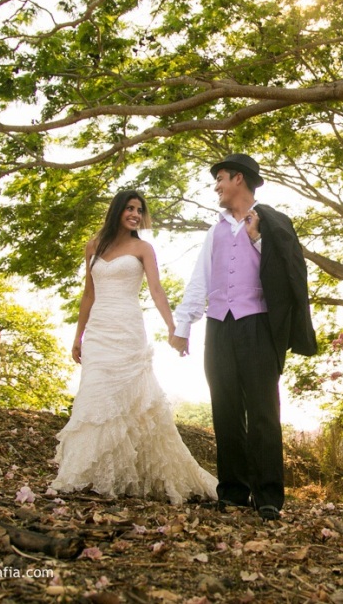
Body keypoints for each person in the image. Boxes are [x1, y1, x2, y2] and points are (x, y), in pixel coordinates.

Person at [170, 154, 316, 521]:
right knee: (225, 409)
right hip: (219, 325)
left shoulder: (274, 224)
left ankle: (268, 496)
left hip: (258, 325)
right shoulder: (214, 231)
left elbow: (289, 274)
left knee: (264, 412)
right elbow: (200, 279)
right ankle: (233, 492)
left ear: (239, 179)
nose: (216, 186)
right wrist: (183, 326)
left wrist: (256, 239)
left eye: (220, 178)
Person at [51, 189, 217, 503]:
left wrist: (173, 326)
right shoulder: (93, 246)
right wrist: (78, 337)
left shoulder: (143, 248)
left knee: (128, 401)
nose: (135, 215)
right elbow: (89, 294)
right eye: (129, 208)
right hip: (99, 331)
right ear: (117, 210)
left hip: (128, 328)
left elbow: (156, 290)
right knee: (95, 396)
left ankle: (126, 474)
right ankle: (88, 473)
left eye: (139, 210)